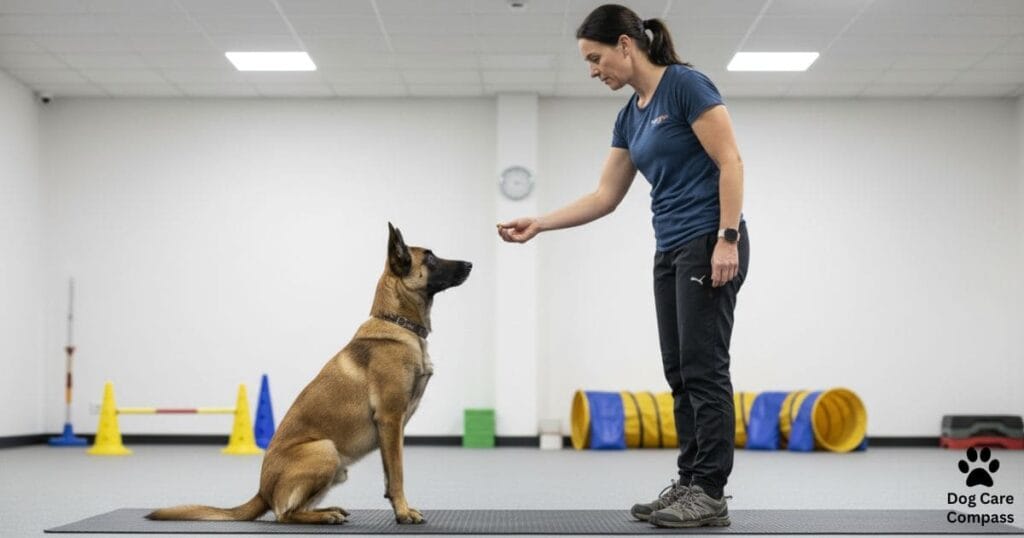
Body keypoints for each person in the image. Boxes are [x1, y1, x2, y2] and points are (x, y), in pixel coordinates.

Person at [496, 3, 749, 529]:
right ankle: (689, 480)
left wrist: (727, 238)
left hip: (709, 240)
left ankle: (710, 491)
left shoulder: (685, 86)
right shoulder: (630, 113)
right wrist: (541, 222)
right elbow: (605, 196)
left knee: (704, 371)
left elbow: (731, 161)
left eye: (595, 58)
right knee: (679, 373)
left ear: (626, 45)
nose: (593, 70)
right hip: (670, 247)